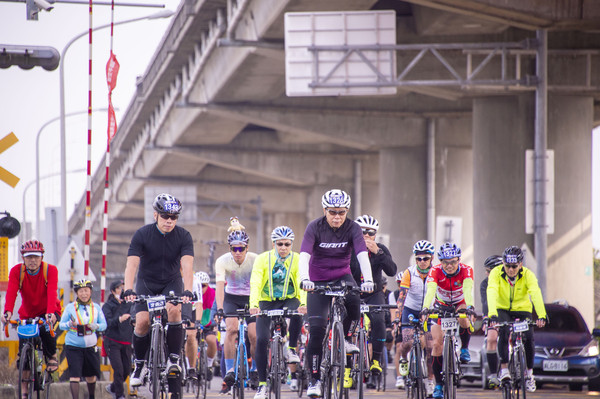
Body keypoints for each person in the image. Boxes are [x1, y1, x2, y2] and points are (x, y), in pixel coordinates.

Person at [298, 189, 375, 398]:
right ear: (325, 210)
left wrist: (368, 280)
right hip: (317, 280)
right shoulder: (314, 227)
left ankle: (347, 338)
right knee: (316, 331)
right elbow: (304, 255)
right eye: (332, 212)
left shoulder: (353, 228)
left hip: (342, 276)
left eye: (341, 212)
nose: (337, 217)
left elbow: (361, 255)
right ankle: (314, 380)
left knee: (355, 303)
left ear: (347, 211)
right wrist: (305, 279)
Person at [123, 193, 194, 399]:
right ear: (156, 215)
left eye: (174, 217)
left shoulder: (184, 236)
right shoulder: (142, 234)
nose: (169, 221)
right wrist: (129, 289)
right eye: (165, 216)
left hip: (171, 282)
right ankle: (140, 365)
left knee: (174, 309)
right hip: (146, 282)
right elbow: (132, 264)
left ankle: (173, 358)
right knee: (142, 321)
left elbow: (187, 266)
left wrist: (187, 290)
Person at [249, 226, 307, 399]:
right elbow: (256, 282)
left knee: (298, 312)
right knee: (261, 339)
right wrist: (254, 304)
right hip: (266, 300)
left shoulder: (297, 259)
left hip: (289, 298)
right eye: (279, 244)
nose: (283, 248)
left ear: (291, 244)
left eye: (287, 244)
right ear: (273, 243)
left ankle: (291, 350)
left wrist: (303, 303)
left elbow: (302, 282)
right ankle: (261, 385)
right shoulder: (261, 259)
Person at [1, 240, 62, 394]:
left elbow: (52, 293)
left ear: (42, 257)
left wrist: (50, 313)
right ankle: (24, 390)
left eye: (36, 257)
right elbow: (11, 293)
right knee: (24, 354)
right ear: (23, 258)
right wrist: (7, 312)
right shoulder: (16, 271)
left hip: (48, 309)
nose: (33, 260)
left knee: (47, 330)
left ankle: (52, 355)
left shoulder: (50, 270)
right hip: (27, 314)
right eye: (29, 257)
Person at [487, 246, 547, 392]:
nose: (511, 270)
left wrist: (541, 315)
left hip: (522, 309)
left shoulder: (528, 275)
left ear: (520, 264)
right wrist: (492, 314)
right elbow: (492, 291)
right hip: (502, 308)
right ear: (503, 263)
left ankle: (530, 375)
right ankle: (504, 370)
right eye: (507, 266)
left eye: (514, 266)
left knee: (528, 337)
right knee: (504, 331)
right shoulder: (496, 273)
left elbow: (536, 293)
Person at [420, 242, 475, 399]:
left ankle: (464, 348)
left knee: (464, 319)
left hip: (459, 302)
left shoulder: (466, 270)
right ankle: (438, 385)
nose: (449, 266)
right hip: (441, 305)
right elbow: (430, 290)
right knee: (437, 344)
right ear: (440, 262)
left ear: (459, 260)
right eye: (445, 262)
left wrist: (469, 306)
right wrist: (425, 307)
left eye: (453, 262)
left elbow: (467, 289)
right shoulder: (435, 271)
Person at [349, 214, 396, 389]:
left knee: (378, 320)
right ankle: (346, 367)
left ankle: (376, 359)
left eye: (371, 232)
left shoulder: (380, 248)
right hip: (352, 292)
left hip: (373, 293)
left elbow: (392, 271)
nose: (367, 236)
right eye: (363, 232)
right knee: (345, 325)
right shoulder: (348, 247)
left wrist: (379, 252)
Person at [215, 228, 258, 394]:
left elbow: (261, 283)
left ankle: (254, 369)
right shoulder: (222, 261)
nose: (238, 252)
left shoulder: (256, 259)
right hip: (231, 298)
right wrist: (219, 308)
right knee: (231, 329)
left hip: (251, 298)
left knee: (254, 335)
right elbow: (219, 286)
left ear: (247, 247)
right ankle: (230, 370)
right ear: (229, 249)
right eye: (234, 248)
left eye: (241, 248)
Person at [395, 240, 436, 394]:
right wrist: (397, 318)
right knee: (407, 341)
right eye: (418, 258)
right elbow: (401, 297)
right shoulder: (409, 272)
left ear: (431, 258)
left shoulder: (436, 272)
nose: (422, 262)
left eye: (425, 258)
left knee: (431, 348)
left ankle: (430, 381)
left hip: (430, 310)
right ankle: (404, 358)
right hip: (410, 309)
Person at [59, 279, 107, 399]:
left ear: (90, 292)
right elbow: (61, 325)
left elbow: (104, 324)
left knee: (91, 375)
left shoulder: (96, 307)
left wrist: (97, 326)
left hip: (91, 346)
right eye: (81, 291)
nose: (84, 294)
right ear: (77, 293)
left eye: (86, 291)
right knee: (74, 375)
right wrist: (70, 324)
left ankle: (91, 396)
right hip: (73, 346)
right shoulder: (70, 307)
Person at [102, 280, 134, 399]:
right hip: (112, 341)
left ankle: (113, 387)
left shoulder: (129, 305)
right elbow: (107, 323)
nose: (122, 291)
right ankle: (119, 395)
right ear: (113, 291)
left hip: (126, 342)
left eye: (124, 288)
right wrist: (119, 319)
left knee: (127, 369)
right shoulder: (108, 306)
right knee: (118, 369)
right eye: (119, 288)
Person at [184, 271, 218, 382]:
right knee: (189, 339)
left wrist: (215, 323)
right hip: (194, 321)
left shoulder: (212, 293)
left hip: (208, 322)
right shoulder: (193, 290)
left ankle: (208, 364)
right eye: (200, 285)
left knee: (212, 340)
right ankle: (189, 366)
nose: (202, 288)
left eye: (204, 286)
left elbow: (214, 310)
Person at [480, 255, 503, 388]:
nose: (486, 274)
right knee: (491, 339)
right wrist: (485, 319)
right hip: (492, 313)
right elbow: (485, 302)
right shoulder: (485, 283)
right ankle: (493, 374)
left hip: (508, 312)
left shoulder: (508, 280)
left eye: (489, 271)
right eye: (486, 271)